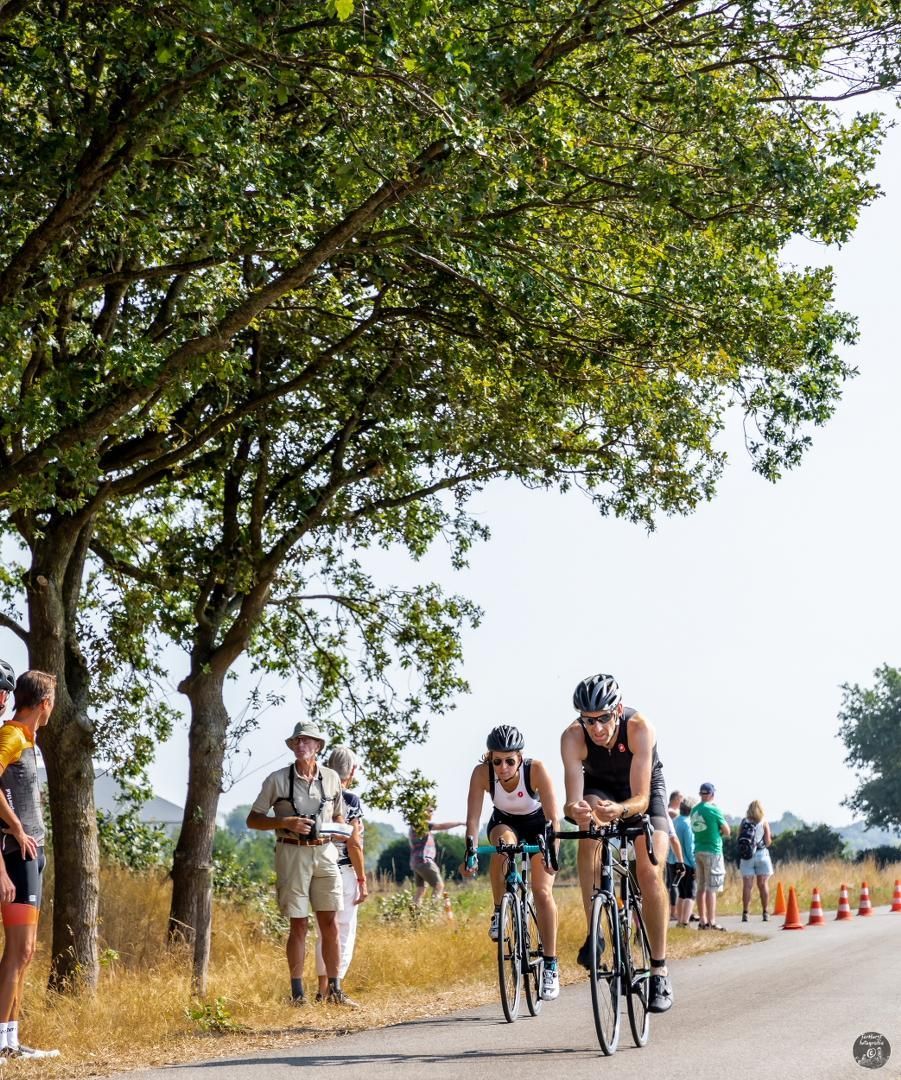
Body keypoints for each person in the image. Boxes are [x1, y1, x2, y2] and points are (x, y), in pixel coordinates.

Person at [561, 673, 674, 1014]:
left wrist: (621, 811)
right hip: (601, 790)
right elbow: (571, 801)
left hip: (642, 794)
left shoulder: (640, 728)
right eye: (588, 720)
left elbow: (639, 798)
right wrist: (576, 810)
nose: (596, 728)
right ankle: (594, 931)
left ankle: (659, 970)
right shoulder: (572, 737)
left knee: (650, 870)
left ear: (618, 710)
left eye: (604, 719)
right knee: (587, 837)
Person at [246, 721, 356, 1007]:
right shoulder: (277, 779)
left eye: (306, 741)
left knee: (330, 924)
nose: (300, 745)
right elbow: (253, 819)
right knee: (298, 924)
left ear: (318, 746)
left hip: (325, 853)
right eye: (296, 741)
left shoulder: (331, 778)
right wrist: (284, 822)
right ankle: (297, 994)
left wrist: (336, 830)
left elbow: (340, 817)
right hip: (291, 852)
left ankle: (334, 990)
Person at [464, 725, 562, 1001]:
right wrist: (469, 850)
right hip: (504, 822)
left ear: (520, 757)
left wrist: (552, 852)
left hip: (539, 826)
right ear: (489, 758)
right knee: (503, 847)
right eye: (497, 761)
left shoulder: (536, 769)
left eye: (509, 761)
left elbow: (554, 818)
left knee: (542, 892)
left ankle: (551, 965)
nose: (503, 767)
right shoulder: (482, 774)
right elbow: (472, 819)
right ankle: (499, 910)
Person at [0, 670, 59, 1059]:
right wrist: (16, 826)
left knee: (27, 951)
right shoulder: (11, 736)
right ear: (44, 703)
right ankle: (2, 1039)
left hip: (33, 857)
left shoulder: (31, 742)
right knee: (18, 950)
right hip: (15, 854)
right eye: (52, 700)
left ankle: (12, 1040)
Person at [315, 747, 368, 1000]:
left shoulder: (317, 796)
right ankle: (335, 989)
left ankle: (321, 989)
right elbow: (354, 843)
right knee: (344, 930)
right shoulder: (351, 800)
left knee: (325, 929)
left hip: (320, 867)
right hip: (344, 870)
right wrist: (362, 879)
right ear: (353, 771)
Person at [690, 781, 730, 931]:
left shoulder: (694, 810)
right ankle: (712, 921)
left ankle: (702, 921)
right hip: (713, 850)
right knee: (711, 888)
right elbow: (727, 831)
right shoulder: (714, 810)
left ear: (701, 794)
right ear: (712, 794)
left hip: (698, 849)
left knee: (700, 887)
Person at [408, 807, 464, 906]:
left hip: (416, 862)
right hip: (425, 861)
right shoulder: (423, 824)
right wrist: (459, 823)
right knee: (439, 886)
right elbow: (442, 826)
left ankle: (416, 915)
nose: (431, 813)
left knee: (421, 889)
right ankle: (432, 912)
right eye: (429, 811)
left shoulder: (413, 827)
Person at [739, 800, 773, 922]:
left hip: (747, 856)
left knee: (747, 886)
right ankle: (765, 912)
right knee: (763, 885)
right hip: (761, 854)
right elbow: (768, 842)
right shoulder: (763, 822)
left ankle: (745, 913)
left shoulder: (744, 821)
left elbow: (739, 837)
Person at [673, 798, 697, 927]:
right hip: (687, 863)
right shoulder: (688, 824)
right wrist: (695, 865)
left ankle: (679, 921)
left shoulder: (675, 821)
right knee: (690, 894)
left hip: (674, 862)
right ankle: (685, 921)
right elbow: (689, 848)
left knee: (681, 893)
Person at [665, 790, 685, 920]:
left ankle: (674, 911)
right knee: (674, 885)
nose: (682, 802)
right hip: (672, 855)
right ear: (675, 799)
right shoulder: (671, 812)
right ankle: (674, 912)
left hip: (670, 854)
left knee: (670, 884)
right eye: (681, 799)